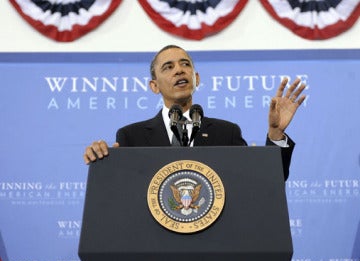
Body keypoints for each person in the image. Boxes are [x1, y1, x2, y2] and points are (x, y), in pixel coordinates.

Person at [83, 45, 306, 180]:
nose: (179, 70)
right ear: (154, 86)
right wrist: (101, 160)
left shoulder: (226, 132)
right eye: (168, 67)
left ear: (196, 78)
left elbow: (265, 182)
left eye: (185, 64)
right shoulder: (131, 136)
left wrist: (275, 135)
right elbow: (121, 195)